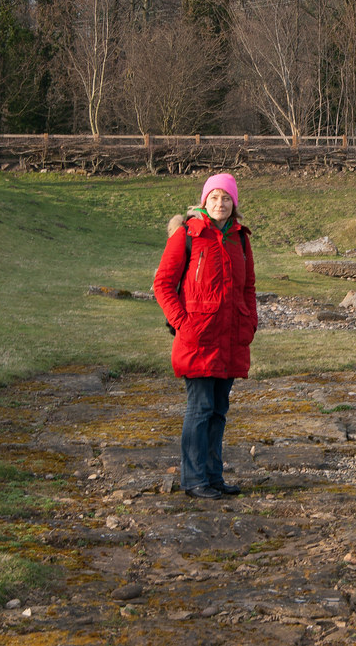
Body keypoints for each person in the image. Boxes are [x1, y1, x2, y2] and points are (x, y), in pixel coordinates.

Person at [153, 173, 258, 499]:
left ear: (234, 203)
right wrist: (183, 323)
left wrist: (250, 321)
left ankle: (213, 476)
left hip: (230, 338)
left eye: (226, 198)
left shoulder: (240, 238)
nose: (220, 203)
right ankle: (193, 479)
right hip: (197, 339)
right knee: (199, 409)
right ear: (204, 201)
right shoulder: (187, 234)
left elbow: (249, 287)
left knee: (218, 410)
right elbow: (163, 284)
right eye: (214, 197)